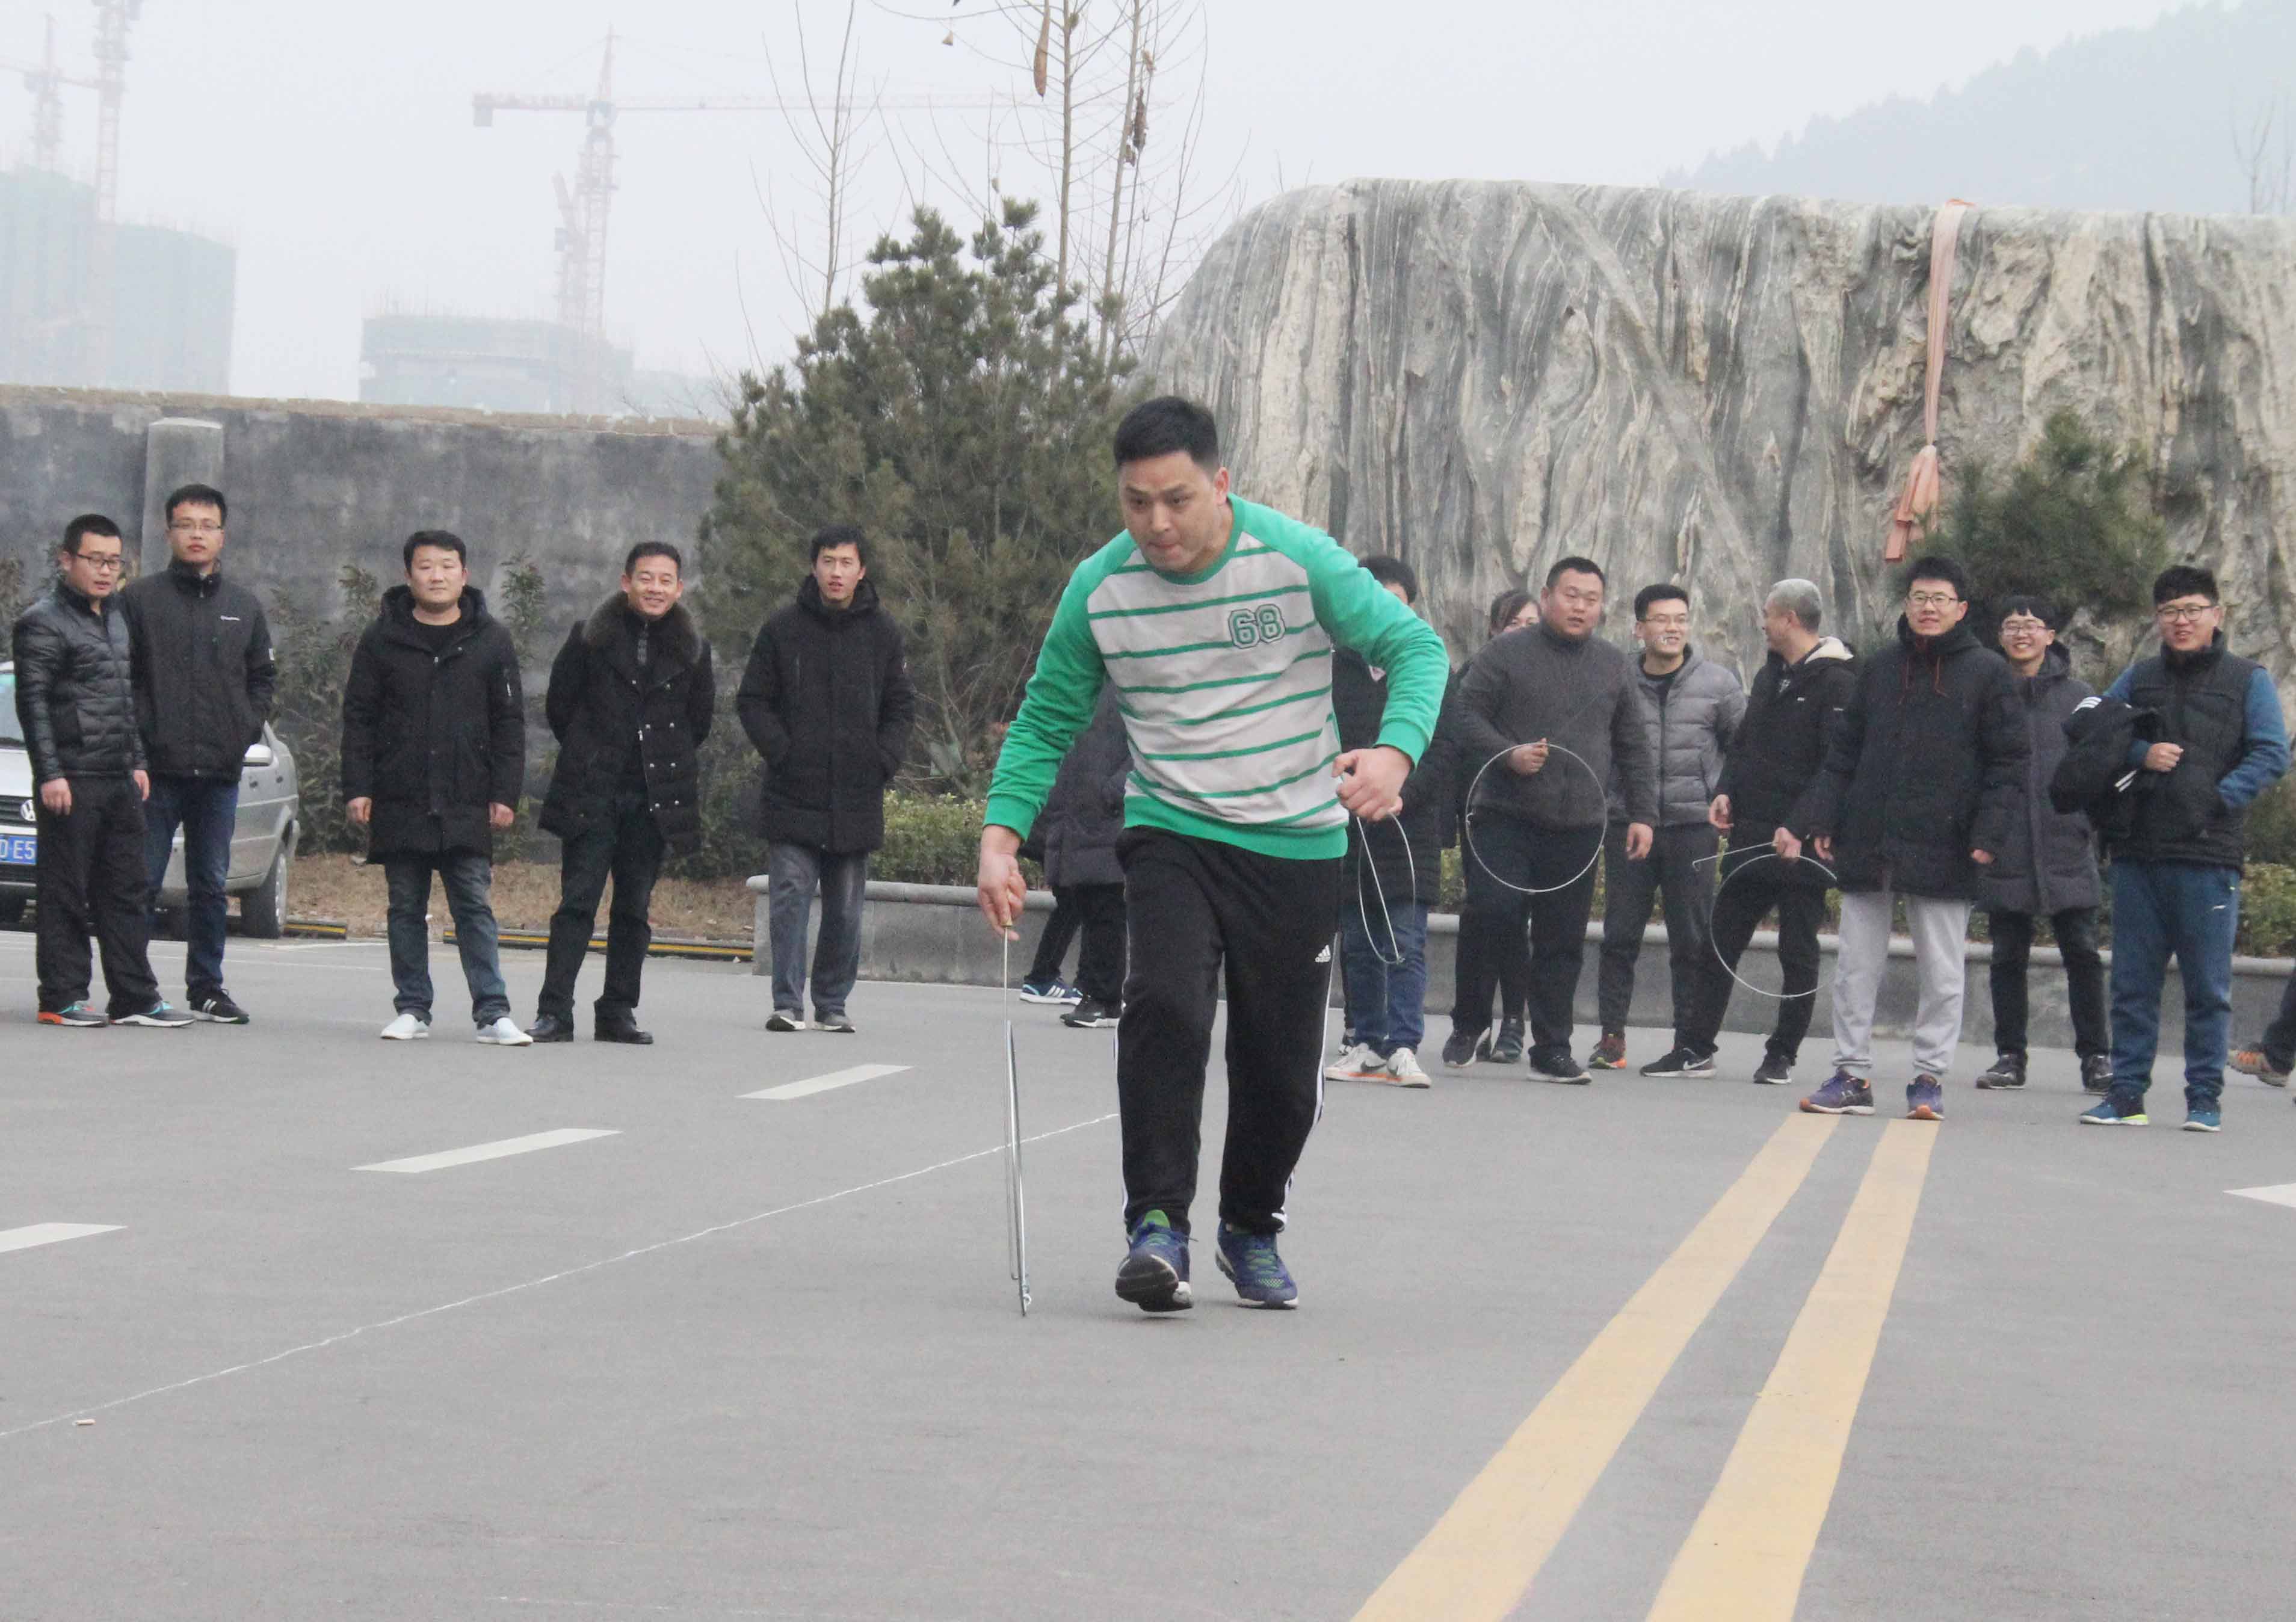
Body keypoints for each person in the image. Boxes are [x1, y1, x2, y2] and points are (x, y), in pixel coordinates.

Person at [975, 395, 1446, 1313]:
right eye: (1136, 502)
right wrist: (1000, 839)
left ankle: (1250, 1226)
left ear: (1220, 483)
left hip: (1297, 840)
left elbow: (1415, 649)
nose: (1157, 523)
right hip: (1174, 828)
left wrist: (1395, 753)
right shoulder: (1100, 589)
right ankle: (1157, 1226)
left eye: (1178, 499)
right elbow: (1045, 718)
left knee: (1279, 1064)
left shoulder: (1297, 559)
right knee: (1164, 1009)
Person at [1791, 555, 2025, 1123]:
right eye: (1919, 597)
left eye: (1940, 599)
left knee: (1942, 972)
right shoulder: (1879, 668)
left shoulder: (1988, 673)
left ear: (1961, 609)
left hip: (1948, 841)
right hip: (1870, 836)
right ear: (1907, 604)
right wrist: (1824, 818)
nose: (1928, 608)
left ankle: (1928, 1078)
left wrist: (1989, 833)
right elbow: (1844, 751)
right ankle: (1851, 1074)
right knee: (1855, 967)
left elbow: (2010, 762)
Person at [2084, 565, 2288, 1131]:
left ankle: (2204, 1098)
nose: (2182, 621)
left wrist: (2218, 800)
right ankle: (2126, 1094)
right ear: (2158, 619)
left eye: (2193, 610)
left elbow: (2272, 752)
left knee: (2207, 988)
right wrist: (2140, 754)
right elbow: (2097, 730)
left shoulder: (2247, 679)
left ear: (2216, 615)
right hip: (2138, 851)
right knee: (2132, 985)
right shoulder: (2139, 678)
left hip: (2207, 855)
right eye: (2170, 612)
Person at [1447, 557, 1657, 1083]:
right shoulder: (1504, 653)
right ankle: (1470, 1021)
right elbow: (1462, 715)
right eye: (1571, 595)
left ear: (1602, 607)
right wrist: (1507, 753)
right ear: (1546, 597)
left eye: (1591, 599)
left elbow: (1633, 743)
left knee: (1562, 939)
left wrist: (1643, 814)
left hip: (1579, 822)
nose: (1580, 606)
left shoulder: (1613, 664)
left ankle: (1552, 1048)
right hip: (1505, 814)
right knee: (1493, 910)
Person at [341, 531, 530, 1045]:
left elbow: (509, 723)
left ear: (464, 575)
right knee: (405, 905)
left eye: (447, 566)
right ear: (409, 576)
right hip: (399, 794)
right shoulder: (382, 639)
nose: (437, 576)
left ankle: (493, 1013)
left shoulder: (491, 639)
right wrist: (358, 786)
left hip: (467, 796)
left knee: (474, 905)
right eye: (426, 567)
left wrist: (504, 793)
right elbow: (359, 718)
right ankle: (413, 1008)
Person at [526, 541, 715, 1045]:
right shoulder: (589, 638)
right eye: (646, 578)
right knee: (577, 903)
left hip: (653, 800)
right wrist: (593, 752)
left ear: (679, 588)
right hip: (593, 793)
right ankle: (554, 1012)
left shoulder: (694, 650)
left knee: (634, 909)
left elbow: (697, 723)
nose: (655, 588)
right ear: (626, 582)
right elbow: (560, 707)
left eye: (666, 580)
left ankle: (617, 1011)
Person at [11, 516, 191, 1029]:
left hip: (118, 778)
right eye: (95, 560)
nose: (106, 571)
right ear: (66, 560)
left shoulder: (116, 618)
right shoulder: (42, 622)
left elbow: (124, 699)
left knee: (127, 891)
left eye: (114, 562)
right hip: (71, 778)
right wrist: (50, 773)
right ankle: (62, 995)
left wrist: (137, 760)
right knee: (65, 891)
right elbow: (33, 704)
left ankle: (134, 996)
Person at [737, 525, 916, 1035]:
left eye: (846, 563)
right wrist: (782, 751)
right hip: (793, 790)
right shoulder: (782, 628)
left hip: (856, 794)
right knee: (790, 896)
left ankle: (832, 1002)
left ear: (862, 571)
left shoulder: (883, 633)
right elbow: (752, 700)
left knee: (845, 909)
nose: (836, 572)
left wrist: (882, 759)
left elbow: (901, 706)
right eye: (828, 562)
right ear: (814, 566)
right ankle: (787, 1003)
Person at [1682, 579, 1856, 1085]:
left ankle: (1781, 1055)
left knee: (1797, 952)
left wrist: (1799, 826)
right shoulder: (1769, 675)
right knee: (1719, 941)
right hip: (1751, 836)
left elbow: (1835, 767)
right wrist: (1725, 790)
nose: (1762, 623)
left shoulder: (1839, 682)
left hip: (1801, 843)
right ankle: (1694, 1047)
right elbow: (1743, 744)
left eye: (1767, 614)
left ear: (1790, 619)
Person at [119, 482, 276, 1026]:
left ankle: (207, 988)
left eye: (207, 526)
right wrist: (137, 746)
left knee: (210, 886)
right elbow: (122, 678)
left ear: (222, 536)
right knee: (141, 882)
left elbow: (263, 678)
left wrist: (242, 732)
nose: (196, 535)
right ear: (169, 532)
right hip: (154, 772)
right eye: (186, 525)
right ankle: (134, 990)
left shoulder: (244, 606)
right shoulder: (139, 601)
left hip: (218, 772)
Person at [1593, 584, 1745, 1076]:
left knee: (1692, 939)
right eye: (1661, 620)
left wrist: (1724, 798)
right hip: (1629, 823)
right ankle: (1611, 1037)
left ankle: (1689, 1042)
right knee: (1620, 935)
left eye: (1680, 619)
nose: (1672, 628)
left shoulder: (1719, 684)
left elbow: (1742, 749)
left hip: (1693, 827)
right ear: (1639, 628)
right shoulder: (1616, 680)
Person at [1972, 597, 2112, 1095]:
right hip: (2006, 842)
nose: (2022, 634)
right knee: (2008, 956)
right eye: (2012, 625)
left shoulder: (2079, 697)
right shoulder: (1987, 694)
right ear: (2000, 637)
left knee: (2083, 954)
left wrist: (2089, 827)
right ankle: (2010, 1056)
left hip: (2065, 840)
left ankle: (2097, 1057)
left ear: (2051, 636)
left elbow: (2100, 766)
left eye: (2032, 626)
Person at [1325, 555, 1449, 1089]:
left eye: (1394, 605)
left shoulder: (1427, 665)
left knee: (1404, 942)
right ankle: (1367, 1041)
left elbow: (1443, 750)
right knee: (1357, 943)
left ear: (1411, 608)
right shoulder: (1331, 670)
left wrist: (1402, 794)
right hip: (1348, 824)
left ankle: (1403, 1044)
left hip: (1407, 828)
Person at [1443, 588, 1538, 1064]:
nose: (1523, 632)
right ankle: (1472, 1021)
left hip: (1537, 815)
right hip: (1481, 812)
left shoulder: (1548, 678)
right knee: (1486, 912)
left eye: (1531, 624)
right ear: (1495, 629)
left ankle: (1514, 1020)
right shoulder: (1470, 678)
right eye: (1514, 623)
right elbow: (1454, 745)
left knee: (1516, 915)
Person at [1034, 688, 1131, 1029]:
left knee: (1106, 907)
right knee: (1088, 903)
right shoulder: (1084, 687)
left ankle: (1103, 997)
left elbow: (1150, 747)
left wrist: (1115, 789)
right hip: (1077, 815)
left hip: (1107, 816)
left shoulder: (1124, 684)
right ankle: (1095, 993)